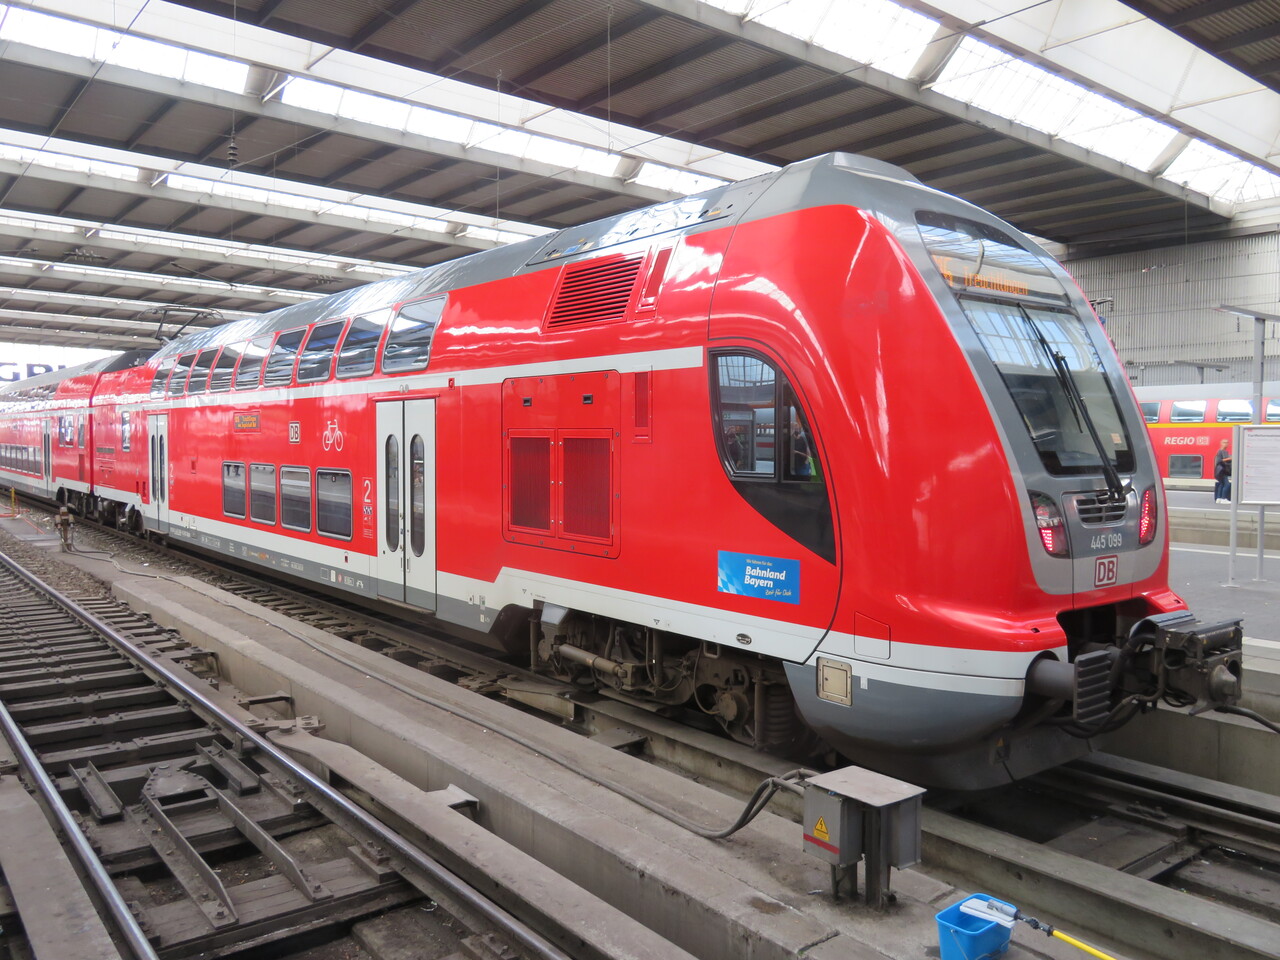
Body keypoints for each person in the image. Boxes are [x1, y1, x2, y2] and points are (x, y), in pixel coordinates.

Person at [1213, 439, 1232, 503]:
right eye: (1224, 442)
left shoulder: (1225, 452)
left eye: (1227, 442)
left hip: (1224, 470)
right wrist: (1229, 458)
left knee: (1222, 484)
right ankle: (1224, 498)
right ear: (1221, 443)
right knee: (1227, 484)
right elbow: (1219, 461)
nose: (1226, 444)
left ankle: (1219, 498)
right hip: (1221, 471)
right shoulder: (1220, 451)